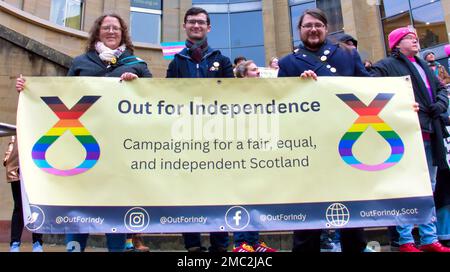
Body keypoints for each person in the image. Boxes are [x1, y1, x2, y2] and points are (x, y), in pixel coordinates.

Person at [16, 13, 152, 252]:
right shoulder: (81, 62)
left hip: (120, 148)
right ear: (98, 32)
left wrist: (137, 84)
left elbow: (153, 98)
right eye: (106, 28)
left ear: (123, 33)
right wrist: (29, 90)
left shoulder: (137, 64)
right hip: (84, 145)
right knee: (79, 202)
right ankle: (74, 248)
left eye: (116, 28)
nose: (111, 32)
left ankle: (117, 249)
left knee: (116, 204)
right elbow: (63, 94)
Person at [278, 8, 369, 253]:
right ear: (300, 30)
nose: (313, 29)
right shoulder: (288, 63)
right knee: (307, 219)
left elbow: (371, 90)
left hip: (346, 145)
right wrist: (298, 87)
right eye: (307, 25)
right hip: (309, 149)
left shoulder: (348, 55)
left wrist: (401, 105)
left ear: (326, 28)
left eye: (318, 25)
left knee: (351, 216)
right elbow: (279, 105)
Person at [370, 27, 450, 252]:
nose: (415, 41)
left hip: (430, 132)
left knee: (429, 186)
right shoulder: (385, 66)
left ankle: (429, 238)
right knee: (403, 187)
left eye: (416, 38)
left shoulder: (423, 64)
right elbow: (370, 90)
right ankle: (405, 239)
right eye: (409, 38)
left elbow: (441, 88)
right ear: (396, 44)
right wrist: (399, 106)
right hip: (403, 135)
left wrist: (441, 104)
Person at [166, 7, 233, 252]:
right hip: (186, 137)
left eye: (201, 22)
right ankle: (192, 245)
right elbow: (168, 98)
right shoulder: (176, 62)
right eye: (192, 22)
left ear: (209, 27)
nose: (196, 26)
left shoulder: (222, 60)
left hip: (218, 138)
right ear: (185, 25)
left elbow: (232, 99)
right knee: (188, 191)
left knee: (220, 191)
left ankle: (220, 244)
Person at [3, 136, 44, 252]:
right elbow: (12, 143)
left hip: (36, 170)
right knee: (19, 207)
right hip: (17, 170)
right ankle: (15, 244)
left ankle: (37, 242)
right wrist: (7, 157)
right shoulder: (18, 127)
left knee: (36, 206)